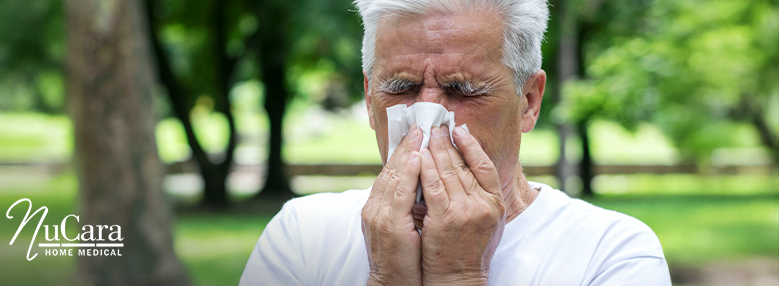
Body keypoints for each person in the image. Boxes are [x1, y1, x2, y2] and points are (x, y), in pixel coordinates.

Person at [241, 0, 671, 285]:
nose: (426, 120)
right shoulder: (305, 233)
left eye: (464, 91)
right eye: (402, 87)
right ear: (370, 98)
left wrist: (459, 277)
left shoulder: (610, 251)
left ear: (528, 101)